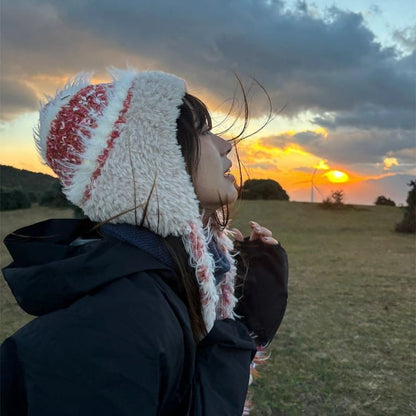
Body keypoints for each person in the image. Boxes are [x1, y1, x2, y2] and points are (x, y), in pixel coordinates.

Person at [1, 68, 288, 415]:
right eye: (202, 131)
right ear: (152, 163)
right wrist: (235, 337)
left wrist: (244, 310)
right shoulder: (111, 328)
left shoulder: (165, 283)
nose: (226, 144)